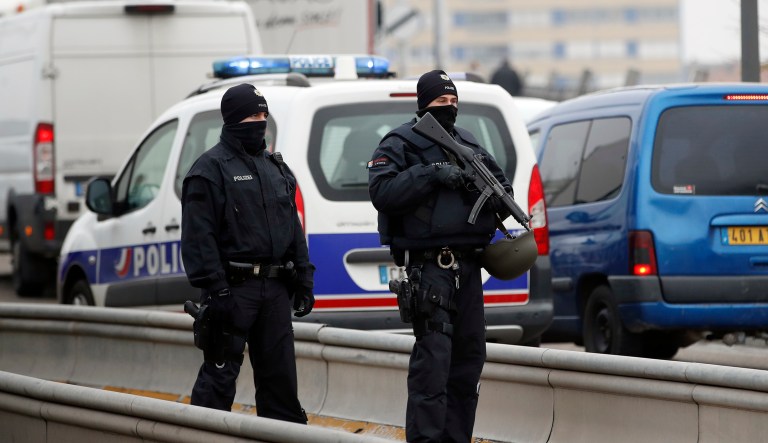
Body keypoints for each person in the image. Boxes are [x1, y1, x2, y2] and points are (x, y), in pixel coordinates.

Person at [368, 70, 513, 442]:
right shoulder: (400, 142)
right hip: (431, 269)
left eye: (453, 101)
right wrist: (432, 173)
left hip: (468, 268)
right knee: (433, 365)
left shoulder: (467, 142)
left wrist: (487, 189)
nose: (449, 107)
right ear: (423, 103)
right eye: (440, 101)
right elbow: (382, 191)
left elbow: (502, 188)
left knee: (468, 364)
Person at [180, 83, 315, 423]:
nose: (261, 121)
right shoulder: (208, 170)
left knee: (280, 384)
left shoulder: (276, 168)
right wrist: (217, 288)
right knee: (219, 380)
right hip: (233, 290)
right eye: (253, 115)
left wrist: (303, 278)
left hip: (274, 291)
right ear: (234, 119)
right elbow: (199, 239)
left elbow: (293, 229)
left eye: (264, 115)